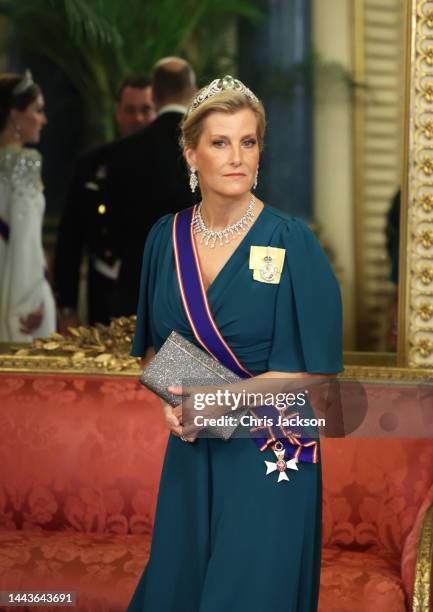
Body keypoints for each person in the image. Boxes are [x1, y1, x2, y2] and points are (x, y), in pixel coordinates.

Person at [127, 76, 343, 611]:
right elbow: (155, 355)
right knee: (177, 593)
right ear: (191, 153)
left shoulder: (292, 242)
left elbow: (316, 376)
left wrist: (219, 401)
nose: (236, 156)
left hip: (269, 454)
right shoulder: (165, 238)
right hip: (193, 450)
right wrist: (172, 405)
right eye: (220, 142)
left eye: (248, 142)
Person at [54, 74, 155, 331]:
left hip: (157, 296)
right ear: (118, 113)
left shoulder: (179, 167)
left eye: (146, 109)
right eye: (130, 110)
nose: (139, 119)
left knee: (162, 371)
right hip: (105, 294)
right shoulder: (91, 165)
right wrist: (66, 308)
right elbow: (70, 241)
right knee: (104, 369)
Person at [108, 57, 197, 318]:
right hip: (192, 286)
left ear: (155, 95)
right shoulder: (207, 147)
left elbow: (114, 226)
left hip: (137, 283)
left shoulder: (123, 151)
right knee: (184, 360)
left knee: (139, 359)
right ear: (192, 93)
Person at [0, 70, 56, 343]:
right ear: (15, 115)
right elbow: (25, 239)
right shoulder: (24, 162)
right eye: (37, 110)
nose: (43, 119)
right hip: (22, 299)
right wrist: (27, 303)